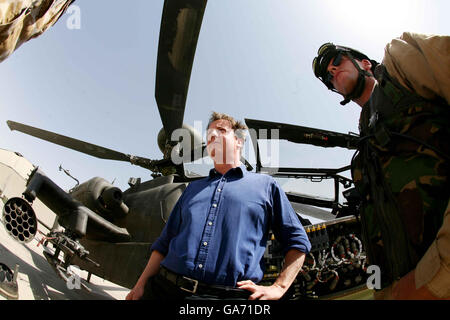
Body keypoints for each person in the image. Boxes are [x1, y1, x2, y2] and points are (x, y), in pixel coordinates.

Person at [312, 32, 450, 299]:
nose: (332, 71)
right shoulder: (364, 149)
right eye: (329, 78)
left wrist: (438, 273)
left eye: (336, 61)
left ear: (364, 63)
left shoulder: (401, 64)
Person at [126, 112, 311, 300]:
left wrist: (279, 287)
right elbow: (164, 242)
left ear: (239, 141)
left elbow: (297, 240)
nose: (212, 136)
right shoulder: (192, 188)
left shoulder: (266, 186)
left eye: (221, 130)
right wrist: (140, 284)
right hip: (164, 289)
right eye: (209, 135)